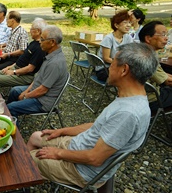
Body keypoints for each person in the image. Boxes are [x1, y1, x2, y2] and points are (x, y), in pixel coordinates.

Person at [27, 42, 158, 188]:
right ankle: (27, 177)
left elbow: (95, 158)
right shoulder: (129, 97)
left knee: (24, 160)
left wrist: (57, 153)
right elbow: (98, 127)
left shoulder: (128, 113)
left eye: (113, 63)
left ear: (124, 70)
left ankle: (23, 177)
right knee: (35, 137)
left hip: (80, 169)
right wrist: (62, 131)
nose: (109, 68)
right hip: (78, 146)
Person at [7, 25, 67, 117]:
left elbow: (43, 90)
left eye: (42, 39)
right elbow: (37, 78)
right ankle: (7, 115)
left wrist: (25, 96)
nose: (39, 41)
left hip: (43, 101)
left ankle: (12, 124)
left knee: (11, 107)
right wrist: (25, 92)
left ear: (52, 42)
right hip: (38, 91)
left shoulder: (55, 63)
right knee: (14, 91)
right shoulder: (50, 55)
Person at [0, 18, 47, 87]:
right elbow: (23, 58)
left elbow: (30, 68)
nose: (30, 31)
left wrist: (13, 72)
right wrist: (9, 67)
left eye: (31, 29)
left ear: (38, 31)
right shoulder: (33, 43)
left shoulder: (40, 48)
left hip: (24, 75)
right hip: (16, 68)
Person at [139, 21, 172, 111]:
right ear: (148, 38)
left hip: (139, 95)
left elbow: (164, 75)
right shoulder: (148, 57)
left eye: (167, 35)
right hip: (150, 100)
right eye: (163, 35)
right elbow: (168, 82)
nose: (166, 39)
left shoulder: (139, 51)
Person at [96, 10, 134, 81]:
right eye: (125, 22)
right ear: (116, 25)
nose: (129, 25)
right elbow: (106, 59)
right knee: (127, 76)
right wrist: (123, 64)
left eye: (129, 22)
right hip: (104, 69)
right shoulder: (109, 38)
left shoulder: (128, 37)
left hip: (119, 66)